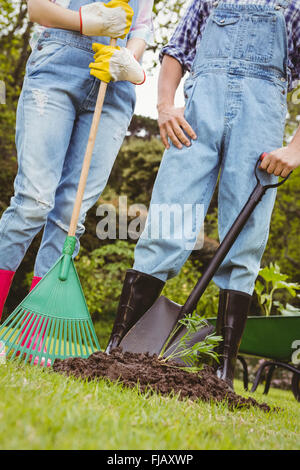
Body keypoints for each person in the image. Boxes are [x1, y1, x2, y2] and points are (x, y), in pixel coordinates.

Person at [107, 0, 300, 390]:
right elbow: (177, 51)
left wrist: (296, 148)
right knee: (166, 224)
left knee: (243, 244)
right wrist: (163, 106)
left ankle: (221, 370)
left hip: (260, 118)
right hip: (195, 118)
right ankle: (121, 346)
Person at [0, 0, 154, 357]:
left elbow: (142, 27)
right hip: (57, 66)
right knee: (33, 203)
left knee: (70, 218)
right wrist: (87, 20)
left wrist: (128, 60)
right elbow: (38, 9)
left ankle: (32, 342)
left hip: (114, 86)